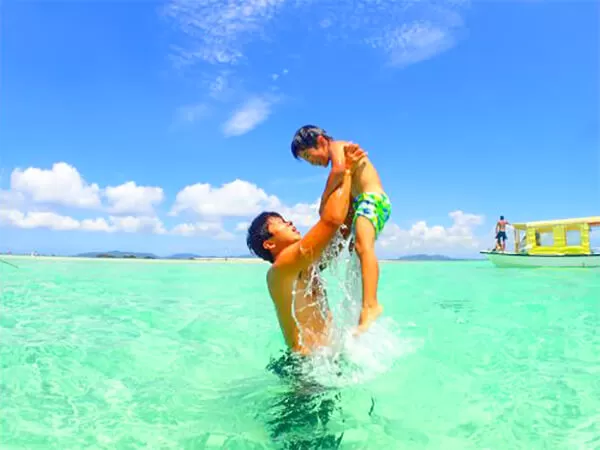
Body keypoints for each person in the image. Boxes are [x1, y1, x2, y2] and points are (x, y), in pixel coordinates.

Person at [290, 125, 391, 334]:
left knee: (364, 247)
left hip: (373, 199)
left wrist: (324, 198)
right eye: (308, 161)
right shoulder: (343, 160)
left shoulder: (339, 147)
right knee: (346, 240)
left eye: (310, 156)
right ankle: (320, 271)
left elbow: (338, 171)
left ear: (320, 141)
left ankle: (371, 305)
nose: (313, 163)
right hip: (361, 202)